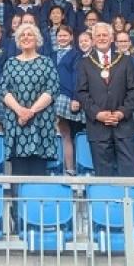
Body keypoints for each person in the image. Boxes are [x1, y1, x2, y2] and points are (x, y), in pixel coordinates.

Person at [77, 22, 134, 177]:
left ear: (112, 38)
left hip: (123, 125)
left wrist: (121, 113)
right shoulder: (84, 63)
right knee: (103, 174)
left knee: (129, 172)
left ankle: (131, 201)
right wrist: (97, 114)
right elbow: (82, 93)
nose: (102, 38)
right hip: (98, 127)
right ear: (92, 39)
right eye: (98, 35)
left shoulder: (125, 60)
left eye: (105, 35)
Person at [0, 24, 59, 175]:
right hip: (16, 124)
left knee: (38, 175)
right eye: (22, 35)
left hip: (40, 123)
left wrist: (30, 112)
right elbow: (3, 89)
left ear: (37, 39)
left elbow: (52, 89)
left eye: (30, 34)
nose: (26, 37)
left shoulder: (46, 62)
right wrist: (19, 111)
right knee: (18, 174)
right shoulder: (10, 63)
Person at [52, 25, 85, 175]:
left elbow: (76, 78)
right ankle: (53, 168)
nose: (62, 38)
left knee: (65, 132)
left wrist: (75, 98)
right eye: (60, 36)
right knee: (53, 132)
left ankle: (70, 169)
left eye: (65, 36)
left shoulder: (75, 55)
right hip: (50, 96)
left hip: (66, 97)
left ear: (71, 37)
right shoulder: (51, 54)